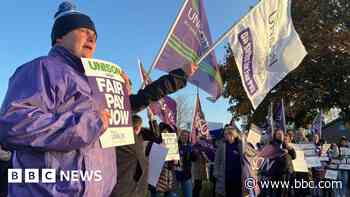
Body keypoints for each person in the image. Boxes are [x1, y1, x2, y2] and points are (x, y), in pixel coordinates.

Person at [0, 2, 197, 197]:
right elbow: (14, 124)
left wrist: (177, 77)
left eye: (94, 34)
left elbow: (133, 104)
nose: (92, 37)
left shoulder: (95, 81)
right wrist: (88, 125)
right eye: (83, 30)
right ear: (60, 37)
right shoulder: (42, 69)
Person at [110, 115, 149, 197]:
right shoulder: (135, 143)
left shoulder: (112, 136)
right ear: (138, 128)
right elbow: (143, 167)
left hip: (111, 186)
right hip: (127, 189)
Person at [213, 127, 242, 197]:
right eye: (224, 134)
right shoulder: (221, 145)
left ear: (232, 134)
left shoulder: (239, 145)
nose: (224, 135)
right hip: (225, 176)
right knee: (226, 194)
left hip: (237, 176)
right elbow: (217, 160)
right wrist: (216, 173)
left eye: (226, 134)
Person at [268, 129, 296, 197]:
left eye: (281, 134)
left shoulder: (286, 144)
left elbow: (294, 156)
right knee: (279, 191)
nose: (280, 135)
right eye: (278, 134)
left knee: (288, 192)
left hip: (288, 172)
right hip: (278, 173)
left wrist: (290, 149)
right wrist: (281, 151)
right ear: (275, 135)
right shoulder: (272, 144)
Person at [175, 130, 193, 197]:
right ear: (180, 136)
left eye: (186, 136)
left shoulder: (190, 147)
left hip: (186, 176)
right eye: (183, 135)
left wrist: (195, 153)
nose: (184, 137)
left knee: (188, 195)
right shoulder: (176, 145)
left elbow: (194, 158)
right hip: (176, 176)